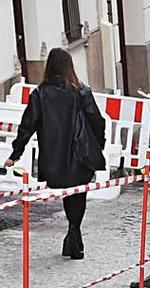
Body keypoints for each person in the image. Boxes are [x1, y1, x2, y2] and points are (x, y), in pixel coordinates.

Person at [5, 48, 106, 260]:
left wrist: (15, 153)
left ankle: (73, 235)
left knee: (68, 191)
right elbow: (97, 120)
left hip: (54, 158)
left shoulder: (40, 95)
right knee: (78, 192)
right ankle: (73, 233)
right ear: (69, 67)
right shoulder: (81, 91)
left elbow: (27, 126)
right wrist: (99, 144)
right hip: (81, 154)